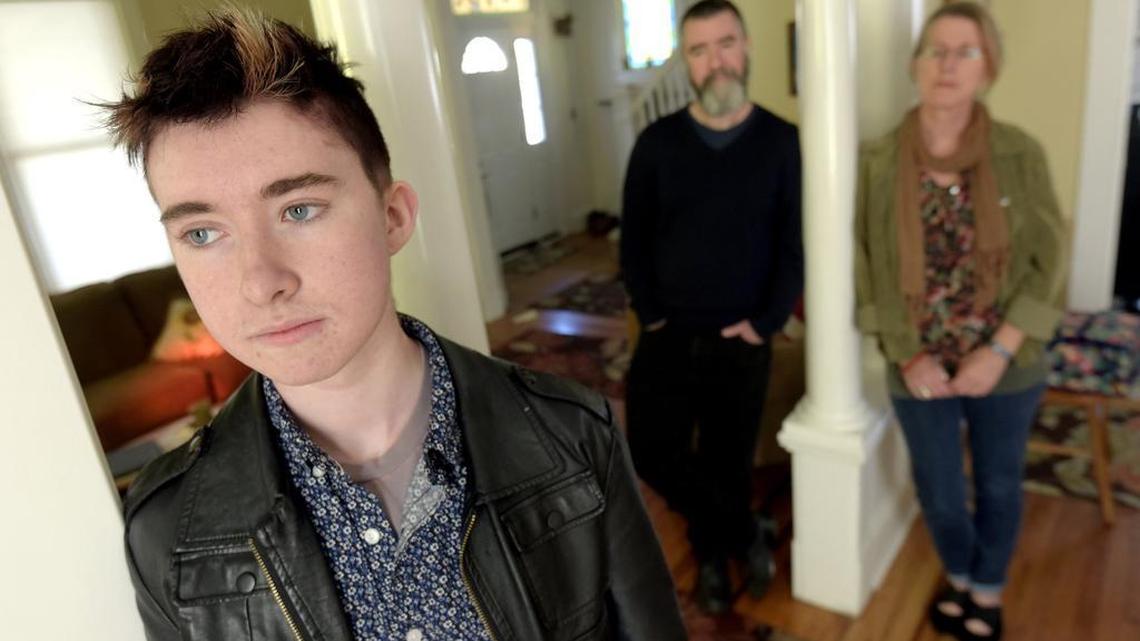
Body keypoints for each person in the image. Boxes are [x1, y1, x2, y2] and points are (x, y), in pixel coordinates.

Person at [103, 9, 685, 641]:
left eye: (298, 208)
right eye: (203, 232)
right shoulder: (165, 532)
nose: (260, 281)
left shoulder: (573, 433)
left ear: (392, 217)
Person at [854, 3, 1066, 640]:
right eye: (935, 50)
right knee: (942, 491)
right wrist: (907, 353)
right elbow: (868, 262)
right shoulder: (879, 160)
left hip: (1007, 361)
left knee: (1000, 485)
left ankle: (988, 593)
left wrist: (997, 351)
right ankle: (963, 576)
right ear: (916, 64)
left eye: (964, 51)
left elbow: (1048, 260)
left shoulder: (1018, 154)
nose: (947, 65)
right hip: (917, 362)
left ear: (987, 68)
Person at [619, 0, 803, 614]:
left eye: (725, 44)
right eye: (699, 50)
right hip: (668, 333)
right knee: (653, 450)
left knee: (726, 461)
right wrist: (650, 311)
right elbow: (635, 239)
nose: (715, 61)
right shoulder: (656, 143)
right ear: (687, 63)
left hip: (741, 337)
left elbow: (793, 243)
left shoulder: (782, 142)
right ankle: (748, 532)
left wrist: (767, 323)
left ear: (746, 48)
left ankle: (714, 561)